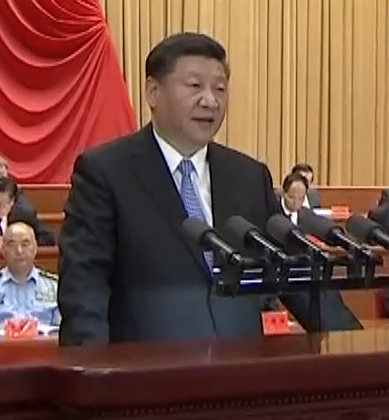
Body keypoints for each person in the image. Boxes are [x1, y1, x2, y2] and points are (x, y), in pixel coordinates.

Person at [56, 33, 356, 346]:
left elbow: (296, 275)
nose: (210, 100)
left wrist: (355, 348)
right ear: (153, 92)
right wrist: (92, 369)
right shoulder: (106, 172)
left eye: (220, 88)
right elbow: (84, 290)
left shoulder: (248, 177)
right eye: (195, 86)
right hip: (147, 370)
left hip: (240, 368)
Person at [0, 221, 60, 330]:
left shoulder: (55, 287)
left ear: (35, 248)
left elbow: (63, 333)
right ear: (3, 250)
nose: (19, 251)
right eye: (12, 245)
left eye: (25, 244)